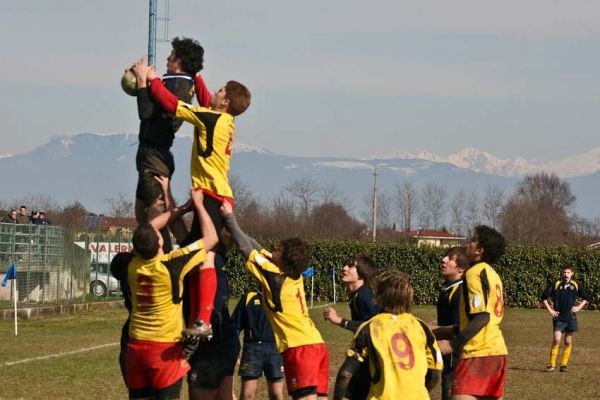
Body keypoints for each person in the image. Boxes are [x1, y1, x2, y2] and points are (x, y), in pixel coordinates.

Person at [220, 201, 329, 400]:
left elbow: (245, 247)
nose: (273, 250)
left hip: (299, 348)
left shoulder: (274, 275)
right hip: (317, 344)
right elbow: (255, 245)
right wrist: (235, 227)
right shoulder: (291, 275)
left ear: (284, 259)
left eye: (277, 249)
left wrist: (228, 218)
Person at [124, 188, 217, 400]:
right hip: (164, 348)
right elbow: (211, 238)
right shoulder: (172, 264)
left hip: (136, 346)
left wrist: (182, 208)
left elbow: (147, 229)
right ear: (160, 243)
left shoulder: (133, 265)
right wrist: (197, 206)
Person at [131, 37, 208, 254]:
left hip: (155, 156)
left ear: (180, 61)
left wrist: (141, 83)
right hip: (151, 153)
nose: (167, 57)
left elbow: (145, 112)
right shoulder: (177, 82)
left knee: (154, 220)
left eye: (172, 55)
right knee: (141, 214)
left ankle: (162, 266)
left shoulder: (177, 84)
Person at [333, 270, 443, 400]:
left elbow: (345, 374)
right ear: (409, 297)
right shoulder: (422, 327)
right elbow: (435, 370)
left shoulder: (370, 327)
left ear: (378, 296)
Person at [434, 225, 508, 400]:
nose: (469, 242)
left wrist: (453, 344)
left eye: (473, 240)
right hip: (497, 352)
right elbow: (482, 318)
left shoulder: (473, 273)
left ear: (479, 250)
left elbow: (482, 317)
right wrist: (443, 331)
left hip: (478, 352)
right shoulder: (493, 274)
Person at [323, 255, 379, 400]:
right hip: (366, 355)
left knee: (345, 382)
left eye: (350, 266)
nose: (344, 268)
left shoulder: (364, 296)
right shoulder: (357, 295)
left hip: (371, 358)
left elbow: (375, 325)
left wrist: (339, 321)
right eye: (345, 265)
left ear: (361, 273)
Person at [231, 287, 285, 400]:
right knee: (247, 394)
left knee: (277, 394)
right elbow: (234, 327)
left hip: (275, 349)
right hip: (252, 349)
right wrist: (233, 349)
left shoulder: (281, 298)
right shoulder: (248, 298)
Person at [541, 265, 589, 373]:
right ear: (562, 274)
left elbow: (586, 298)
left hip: (571, 317)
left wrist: (578, 307)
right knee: (557, 339)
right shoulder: (556, 284)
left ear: (572, 273)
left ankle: (563, 365)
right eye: (564, 273)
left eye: (568, 272)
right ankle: (551, 364)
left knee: (567, 341)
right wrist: (551, 311)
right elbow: (544, 297)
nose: (566, 275)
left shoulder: (576, 284)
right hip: (558, 317)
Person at [435, 247, 468, 400]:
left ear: (461, 268)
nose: (443, 260)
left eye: (450, 258)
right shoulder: (447, 288)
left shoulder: (461, 291)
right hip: (447, 353)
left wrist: (434, 330)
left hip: (457, 353)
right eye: (444, 256)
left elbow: (460, 326)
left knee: (451, 389)